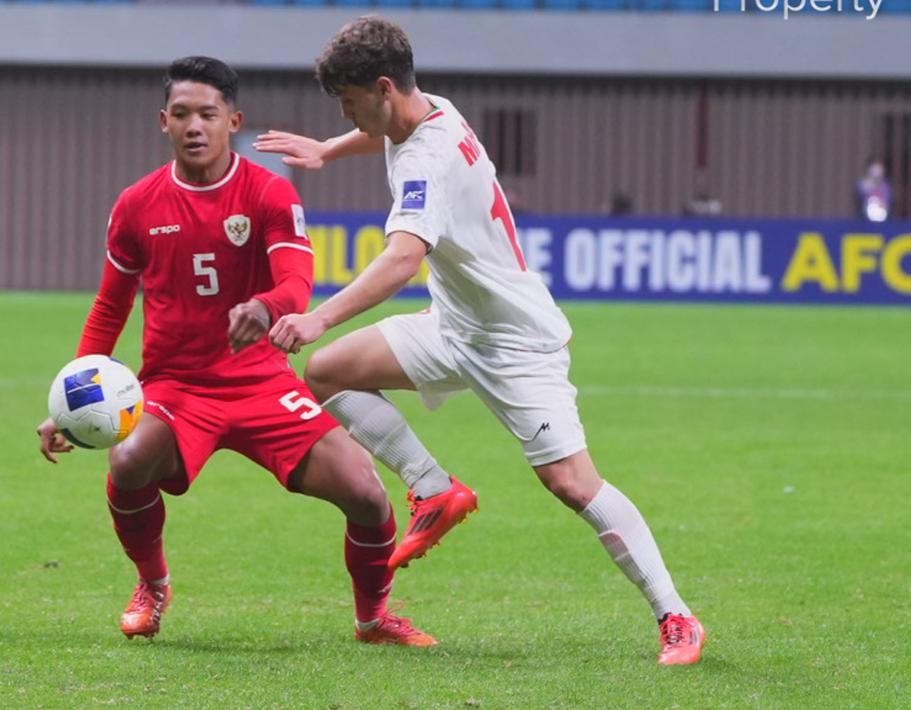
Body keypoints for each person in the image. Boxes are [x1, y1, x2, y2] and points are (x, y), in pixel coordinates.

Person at [256, 17, 705, 665]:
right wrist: (330, 147)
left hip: (513, 341)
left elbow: (400, 262)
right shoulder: (426, 108)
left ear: (383, 88)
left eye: (350, 102)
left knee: (572, 484)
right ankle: (433, 488)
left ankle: (676, 617)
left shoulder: (425, 157)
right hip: (452, 325)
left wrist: (318, 317)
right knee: (327, 374)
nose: (348, 113)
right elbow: (379, 132)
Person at [35, 56, 434, 647]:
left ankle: (373, 618)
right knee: (127, 461)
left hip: (263, 383)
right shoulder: (136, 205)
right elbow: (109, 308)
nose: (194, 126)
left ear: (233, 120)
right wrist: (67, 401)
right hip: (175, 388)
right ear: (163, 122)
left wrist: (267, 308)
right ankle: (153, 584)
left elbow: (298, 281)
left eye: (208, 114)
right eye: (181, 114)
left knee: (367, 491)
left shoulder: (267, 191)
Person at [855, 156, 891, 222]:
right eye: (874, 168)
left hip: (883, 219)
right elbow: (860, 200)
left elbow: (888, 202)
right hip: (863, 220)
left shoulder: (886, 187)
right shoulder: (862, 185)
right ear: (868, 169)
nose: (877, 171)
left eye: (879, 168)